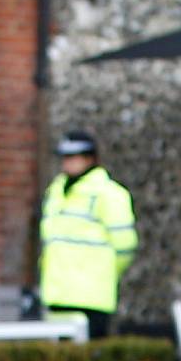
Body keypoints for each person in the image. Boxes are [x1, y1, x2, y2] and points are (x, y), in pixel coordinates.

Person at [37, 130, 137, 338]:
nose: (67, 163)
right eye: (65, 157)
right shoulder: (55, 192)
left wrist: (103, 271)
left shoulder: (109, 194)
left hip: (92, 296)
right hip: (56, 293)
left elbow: (125, 246)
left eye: (74, 157)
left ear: (90, 159)